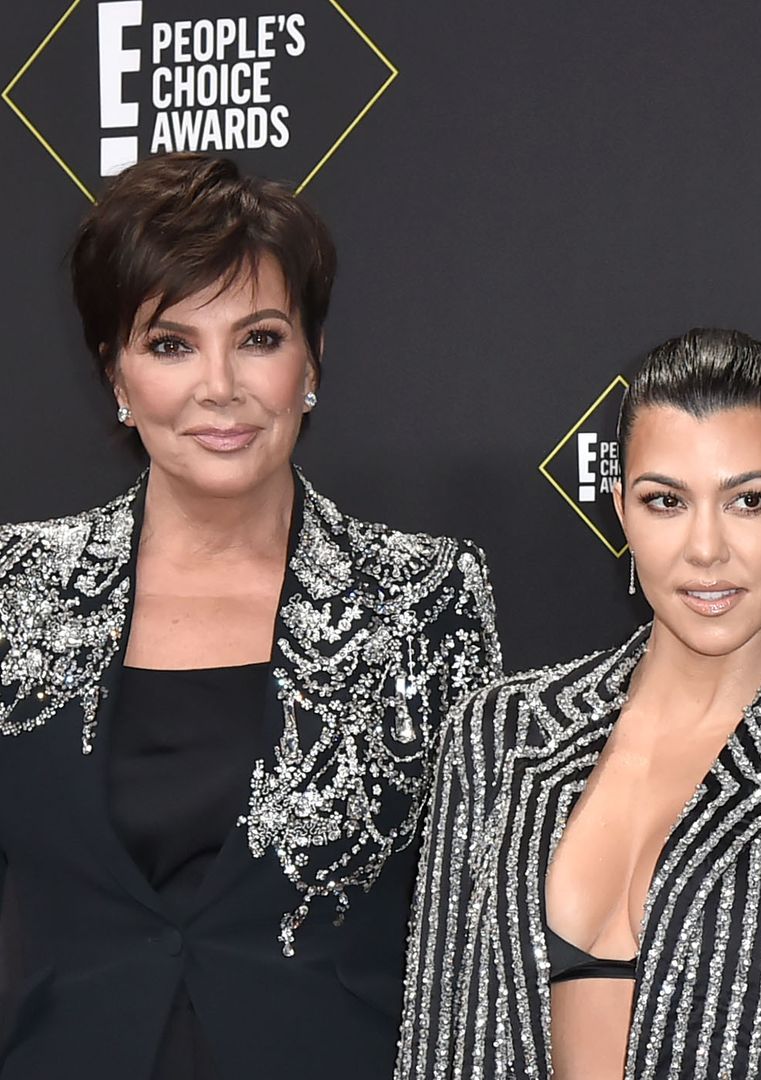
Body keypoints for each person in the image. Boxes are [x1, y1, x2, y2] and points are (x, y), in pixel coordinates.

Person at [0, 153, 501, 1079]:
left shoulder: (421, 599)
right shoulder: (16, 593)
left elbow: (478, 934)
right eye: (170, 344)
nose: (220, 386)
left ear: (313, 358)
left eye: (259, 338)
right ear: (114, 373)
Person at [397, 327, 761, 1079]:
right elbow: (435, 1047)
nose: (705, 547)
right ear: (622, 512)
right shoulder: (497, 734)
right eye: (666, 501)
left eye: (749, 501)